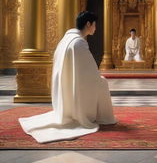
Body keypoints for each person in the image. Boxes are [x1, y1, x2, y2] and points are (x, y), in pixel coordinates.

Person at [19, 11, 116, 143]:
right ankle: (100, 118)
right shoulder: (79, 43)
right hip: (75, 89)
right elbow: (92, 72)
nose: (95, 28)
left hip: (65, 90)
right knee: (102, 83)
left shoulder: (66, 40)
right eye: (94, 24)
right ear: (88, 24)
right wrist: (99, 80)